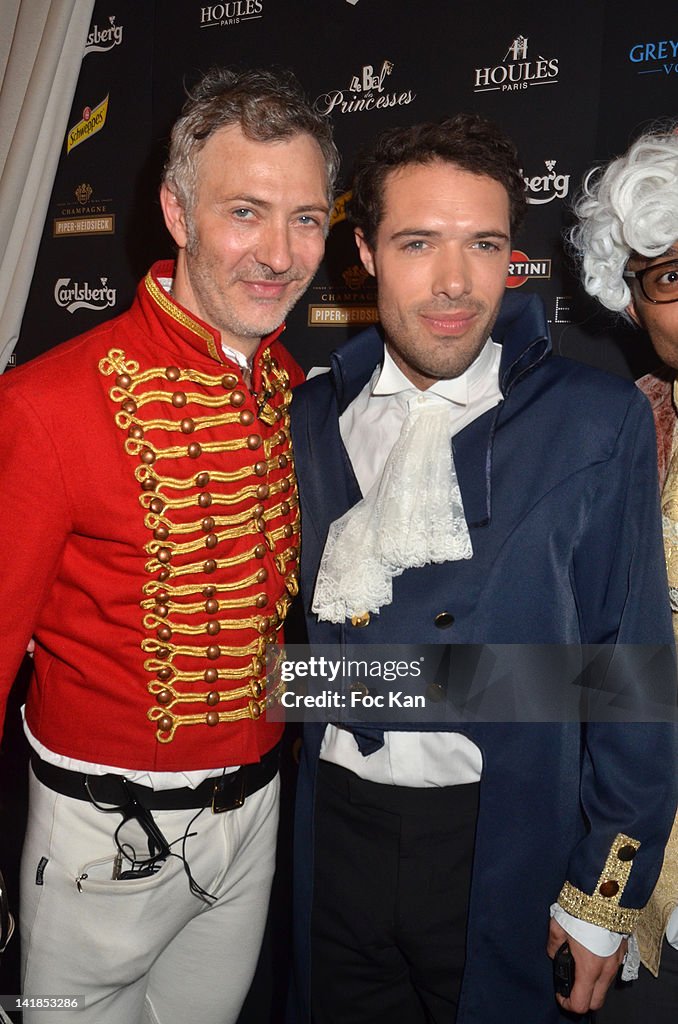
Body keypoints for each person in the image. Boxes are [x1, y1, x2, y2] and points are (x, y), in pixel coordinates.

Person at [288, 115, 678, 1023]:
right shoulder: (308, 417)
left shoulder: (593, 420)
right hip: (328, 841)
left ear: (514, 258)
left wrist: (604, 896)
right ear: (366, 253)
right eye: (418, 243)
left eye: (485, 244)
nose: (455, 283)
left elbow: (630, 674)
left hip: (503, 849)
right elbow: (298, 659)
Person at [0, 67, 338, 1024]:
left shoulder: (291, 390)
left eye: (306, 218)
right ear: (177, 214)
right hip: (103, 834)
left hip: (259, 813)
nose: (279, 254)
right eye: (245, 213)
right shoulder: (44, 406)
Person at [570, 124, 678, 1023]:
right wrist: (602, 897)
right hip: (638, 894)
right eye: (670, 276)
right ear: (632, 298)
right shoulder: (622, 438)